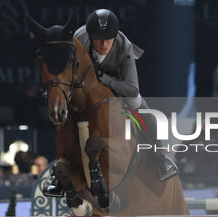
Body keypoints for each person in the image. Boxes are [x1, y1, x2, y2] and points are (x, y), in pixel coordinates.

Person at [74, 9, 177, 182]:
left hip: (118, 84)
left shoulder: (124, 45)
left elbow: (131, 89)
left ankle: (160, 156)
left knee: (137, 103)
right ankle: (63, 163)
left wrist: (105, 79)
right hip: (87, 87)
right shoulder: (79, 40)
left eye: (108, 39)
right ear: (90, 36)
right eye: (98, 39)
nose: (104, 44)